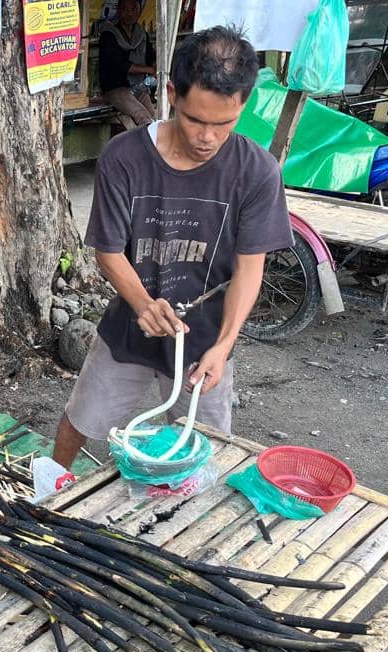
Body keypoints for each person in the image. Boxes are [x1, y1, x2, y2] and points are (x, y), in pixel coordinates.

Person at [49, 26, 292, 483]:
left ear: (243, 105)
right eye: (196, 119)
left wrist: (223, 347)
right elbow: (108, 250)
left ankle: (187, 522)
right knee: (82, 418)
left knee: (204, 449)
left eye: (224, 123)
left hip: (205, 341)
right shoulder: (124, 157)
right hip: (130, 324)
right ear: (172, 93)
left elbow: (248, 270)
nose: (207, 137)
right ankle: (43, 489)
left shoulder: (256, 171)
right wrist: (142, 304)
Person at [98, 0, 157, 128]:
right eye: (125, 9)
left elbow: (151, 57)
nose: (130, 13)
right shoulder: (108, 35)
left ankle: (158, 144)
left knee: (154, 117)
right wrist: (150, 70)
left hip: (138, 86)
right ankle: (149, 146)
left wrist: (157, 68)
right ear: (118, 11)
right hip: (115, 88)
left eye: (133, 9)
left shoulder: (141, 34)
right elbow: (124, 66)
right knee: (142, 116)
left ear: (139, 11)